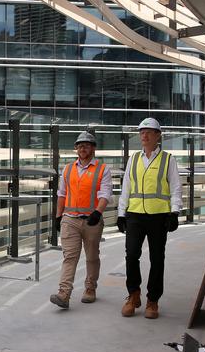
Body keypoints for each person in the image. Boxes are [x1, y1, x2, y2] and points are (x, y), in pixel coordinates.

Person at [117, 118, 182, 319]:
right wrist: (121, 213)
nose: (144, 136)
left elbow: (176, 188)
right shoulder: (134, 159)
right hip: (135, 215)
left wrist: (175, 212)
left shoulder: (168, 159)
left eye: (148, 132)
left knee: (157, 259)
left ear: (158, 135)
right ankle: (133, 294)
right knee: (131, 255)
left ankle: (153, 300)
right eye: (141, 132)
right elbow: (126, 187)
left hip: (158, 217)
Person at [50, 131, 112, 309]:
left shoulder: (102, 169)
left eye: (86, 145)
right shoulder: (68, 169)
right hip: (70, 219)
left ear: (93, 148)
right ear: (76, 149)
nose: (82, 148)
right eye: (79, 145)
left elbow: (105, 194)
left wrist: (98, 213)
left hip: (92, 220)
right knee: (69, 257)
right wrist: (58, 216)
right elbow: (61, 194)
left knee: (92, 257)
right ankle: (64, 294)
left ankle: (90, 288)